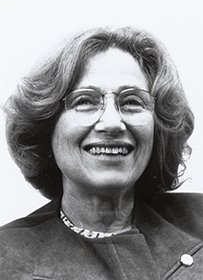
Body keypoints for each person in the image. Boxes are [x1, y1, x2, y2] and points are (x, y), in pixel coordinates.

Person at [1, 26, 203, 280]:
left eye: (132, 101)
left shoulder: (199, 217)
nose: (112, 123)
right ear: (46, 127)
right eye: (84, 101)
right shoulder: (6, 257)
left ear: (158, 127)